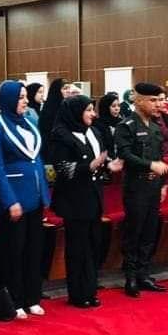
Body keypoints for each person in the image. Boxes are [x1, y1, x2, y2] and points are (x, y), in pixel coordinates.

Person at [0, 81, 51, 318]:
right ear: (9, 99)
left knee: (34, 249)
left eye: (25, 97)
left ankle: (33, 296)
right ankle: (15, 298)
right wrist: (10, 200)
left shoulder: (30, 123)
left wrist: (44, 192)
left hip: (35, 195)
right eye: (21, 97)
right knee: (13, 251)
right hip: (13, 198)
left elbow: (36, 159)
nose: (26, 101)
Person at [47, 95, 108, 309]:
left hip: (94, 197)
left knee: (93, 244)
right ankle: (77, 293)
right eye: (88, 110)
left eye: (93, 109)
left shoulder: (94, 132)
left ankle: (90, 289)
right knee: (77, 247)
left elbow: (100, 160)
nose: (93, 114)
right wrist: (89, 167)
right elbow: (62, 168)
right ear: (76, 113)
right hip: (74, 199)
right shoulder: (61, 135)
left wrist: (108, 166)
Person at [114, 83, 168, 297]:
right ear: (138, 101)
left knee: (149, 231)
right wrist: (150, 165)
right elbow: (125, 155)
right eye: (152, 100)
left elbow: (160, 156)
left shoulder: (155, 127)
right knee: (134, 231)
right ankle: (130, 277)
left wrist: (163, 184)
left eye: (158, 100)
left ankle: (144, 274)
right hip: (136, 186)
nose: (157, 104)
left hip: (153, 185)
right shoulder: (126, 125)